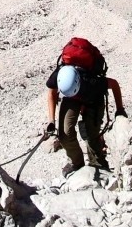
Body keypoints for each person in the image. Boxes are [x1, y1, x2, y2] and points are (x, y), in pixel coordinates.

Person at [45, 41, 126, 176]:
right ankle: (77, 163)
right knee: (65, 134)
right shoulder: (62, 74)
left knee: (92, 134)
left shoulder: (94, 82)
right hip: (72, 98)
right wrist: (51, 120)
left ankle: (98, 163)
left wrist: (120, 110)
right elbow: (51, 93)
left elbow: (114, 85)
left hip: (93, 98)